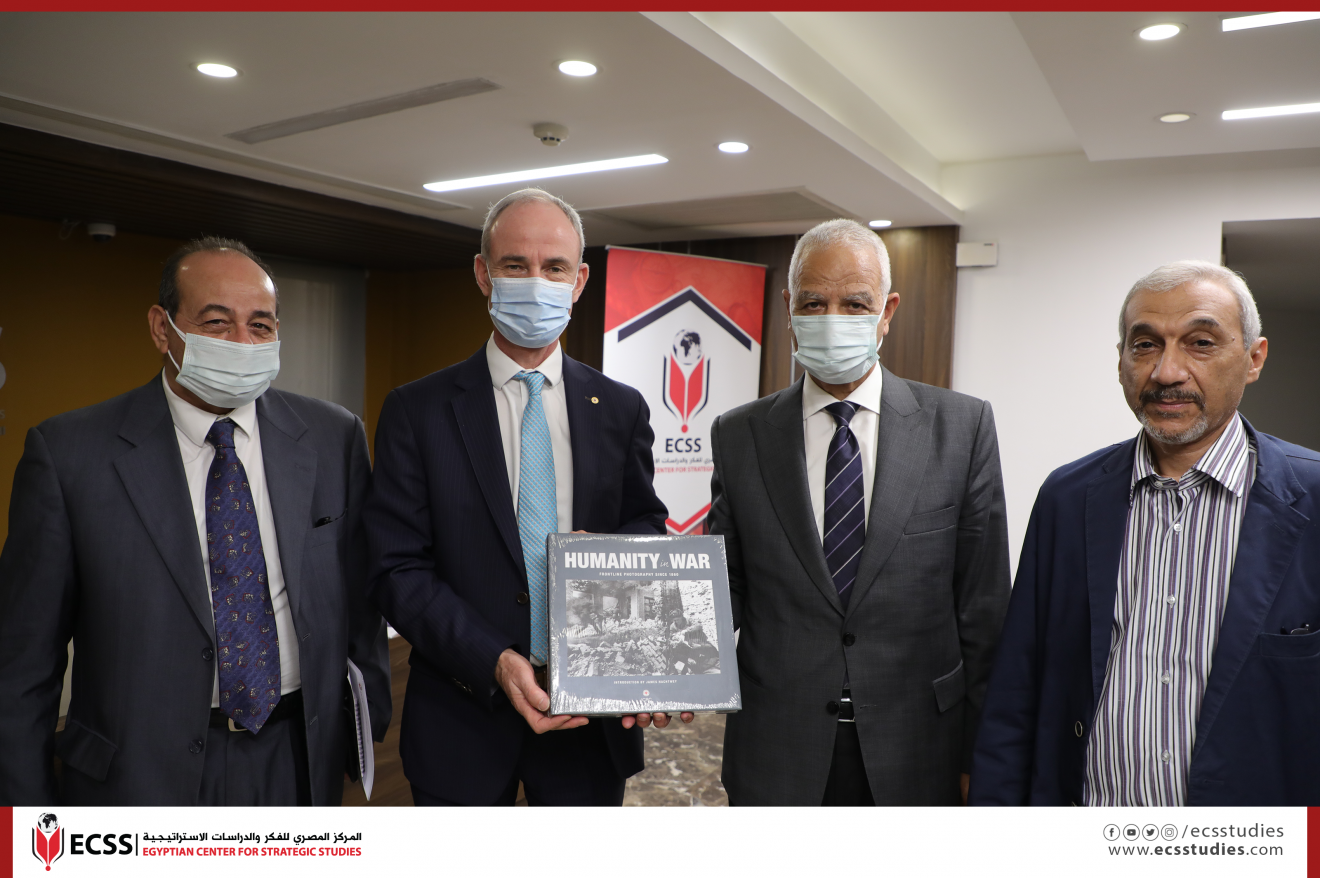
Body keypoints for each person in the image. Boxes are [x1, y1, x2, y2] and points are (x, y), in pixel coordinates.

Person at [0, 237, 391, 806]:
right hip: (138, 775)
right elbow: (23, 666)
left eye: (260, 325)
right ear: (162, 329)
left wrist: (364, 717)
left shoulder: (335, 437)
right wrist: (25, 826)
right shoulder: (69, 456)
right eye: (216, 322)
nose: (242, 342)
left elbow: (360, 597)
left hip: (296, 759)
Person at [365, 188, 683, 807]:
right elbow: (395, 568)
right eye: (516, 265)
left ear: (579, 281)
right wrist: (492, 659)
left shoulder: (621, 408)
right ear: (483, 274)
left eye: (554, 267)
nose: (536, 281)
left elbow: (646, 525)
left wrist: (613, 563)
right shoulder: (417, 410)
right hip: (461, 712)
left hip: (591, 714)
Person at [969, 260, 1320, 806]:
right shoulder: (1068, 497)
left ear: (1254, 359)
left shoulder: (1311, 498)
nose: (1166, 372)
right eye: (1145, 345)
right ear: (1121, 362)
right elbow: (1018, 691)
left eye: (1200, 343)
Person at [708, 219, 1011, 806]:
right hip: (778, 745)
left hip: (920, 744)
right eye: (813, 303)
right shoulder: (739, 434)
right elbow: (726, 586)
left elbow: (984, 610)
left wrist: (982, 754)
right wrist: (651, 655)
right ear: (789, 307)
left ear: (887, 311)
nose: (832, 319)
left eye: (855, 304)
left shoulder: (962, 427)